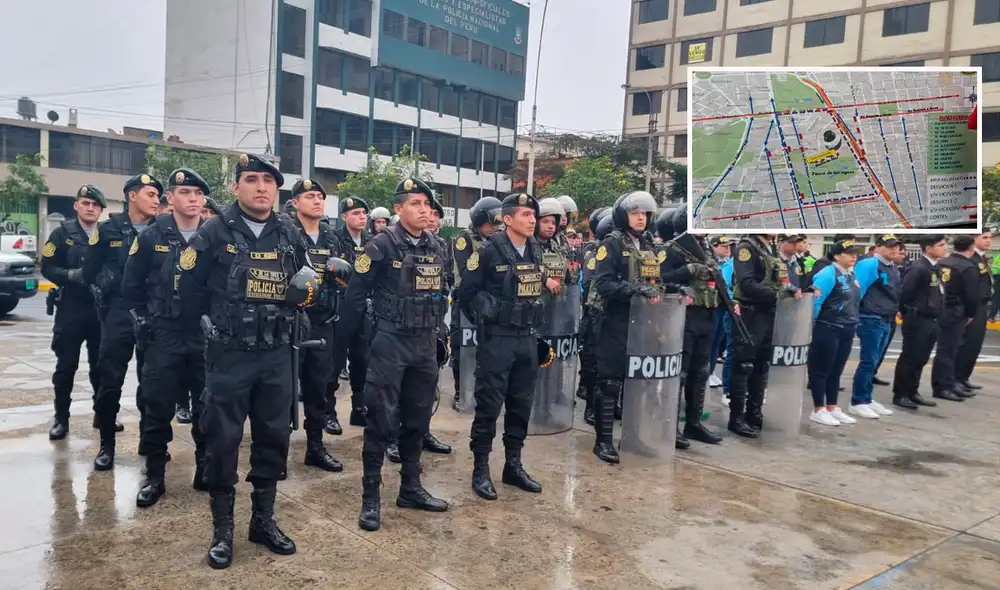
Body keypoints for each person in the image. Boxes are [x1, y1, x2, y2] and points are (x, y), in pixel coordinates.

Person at [178, 154, 310, 568]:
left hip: (275, 355)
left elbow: (306, 283)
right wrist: (208, 329)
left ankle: (263, 520)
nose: (261, 187)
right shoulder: (214, 232)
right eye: (251, 179)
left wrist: (311, 292)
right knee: (222, 441)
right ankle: (223, 529)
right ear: (236, 187)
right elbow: (188, 292)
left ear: (277, 189)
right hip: (230, 356)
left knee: (274, 438)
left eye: (268, 181)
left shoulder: (289, 233)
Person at [340, 177, 449, 532]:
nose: (423, 210)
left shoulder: (436, 246)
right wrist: (345, 347)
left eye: (427, 205)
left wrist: (441, 336)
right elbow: (356, 297)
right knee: (381, 419)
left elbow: (441, 294)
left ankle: (411, 487)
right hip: (390, 342)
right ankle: (370, 497)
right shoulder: (380, 245)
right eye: (415, 204)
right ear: (399, 209)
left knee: (418, 418)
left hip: (423, 344)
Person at [122, 168, 210, 506]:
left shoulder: (214, 236)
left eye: (197, 193)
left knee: (207, 407)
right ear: (169, 198)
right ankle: (155, 476)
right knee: (157, 408)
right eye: (184, 192)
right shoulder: (150, 236)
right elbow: (131, 289)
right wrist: (144, 322)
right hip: (164, 335)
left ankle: (204, 469)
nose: (191, 198)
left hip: (202, 338)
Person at [456, 192, 548, 494]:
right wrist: (489, 311)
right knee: (489, 406)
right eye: (525, 214)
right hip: (498, 340)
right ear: (507, 219)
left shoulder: (535, 249)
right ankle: (480, 467)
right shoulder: (487, 252)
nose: (532, 220)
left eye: (533, 215)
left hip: (527, 337)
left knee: (521, 404)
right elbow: (465, 294)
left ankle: (513, 465)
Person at [84, 174, 163, 469]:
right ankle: (107, 444)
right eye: (151, 194)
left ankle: (149, 439)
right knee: (110, 382)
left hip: (153, 312)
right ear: (132, 195)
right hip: (118, 312)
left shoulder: (163, 230)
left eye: (158, 195)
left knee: (152, 382)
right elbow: (89, 271)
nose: (156, 200)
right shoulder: (107, 230)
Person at [588, 191, 664, 463]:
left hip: (642, 321)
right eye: (635, 213)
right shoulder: (612, 244)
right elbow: (603, 284)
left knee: (638, 382)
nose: (641, 218)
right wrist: (635, 289)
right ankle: (603, 441)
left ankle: (634, 437)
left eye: (644, 213)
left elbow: (655, 281)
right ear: (623, 216)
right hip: (613, 320)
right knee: (609, 382)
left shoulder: (647, 245)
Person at [290, 178, 347, 473]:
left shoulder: (330, 235)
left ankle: (315, 448)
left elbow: (341, 274)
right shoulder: (287, 232)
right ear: (295, 202)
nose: (316, 200)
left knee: (319, 387)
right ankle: (276, 450)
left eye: (320, 196)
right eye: (309, 196)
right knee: (285, 389)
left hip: (323, 322)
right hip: (292, 322)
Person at [42, 185, 106, 440]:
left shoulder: (108, 234)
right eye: (86, 203)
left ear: (101, 210)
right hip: (71, 308)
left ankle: (103, 413)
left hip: (100, 310)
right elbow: (47, 267)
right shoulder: (62, 234)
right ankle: (61, 418)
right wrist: (69, 275)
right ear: (76, 205)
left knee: (101, 367)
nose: (90, 208)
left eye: (95, 205)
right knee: (66, 366)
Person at [730, 235, 802, 437]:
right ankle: (736, 418)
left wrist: (791, 290)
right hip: (750, 312)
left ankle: (754, 412)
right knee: (743, 365)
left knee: (762, 366)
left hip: (769, 312)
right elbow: (746, 283)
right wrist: (778, 294)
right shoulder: (746, 248)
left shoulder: (769, 248)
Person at [659, 223, 723, 446]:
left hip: (707, 315)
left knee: (701, 372)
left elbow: (717, 281)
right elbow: (659, 278)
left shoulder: (706, 248)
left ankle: (693, 424)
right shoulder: (673, 248)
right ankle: (670, 425)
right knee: (681, 373)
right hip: (684, 316)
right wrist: (685, 273)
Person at [449, 196, 502, 409]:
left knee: (487, 349)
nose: (494, 228)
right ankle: (460, 391)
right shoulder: (465, 239)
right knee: (462, 348)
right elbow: (467, 271)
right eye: (490, 224)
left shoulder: (498, 240)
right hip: (465, 301)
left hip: (488, 303)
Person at [807, 239, 864, 426]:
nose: (854, 256)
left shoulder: (850, 274)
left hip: (847, 327)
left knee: (836, 370)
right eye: (849, 253)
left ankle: (832, 406)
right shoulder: (828, 273)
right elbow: (815, 302)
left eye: (855, 253)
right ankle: (818, 408)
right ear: (837, 255)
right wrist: (812, 328)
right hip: (828, 327)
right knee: (821, 369)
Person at [328, 196, 373, 435]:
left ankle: (359, 408)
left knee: (362, 361)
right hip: (340, 308)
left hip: (363, 311)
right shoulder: (335, 239)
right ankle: (329, 412)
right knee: (334, 363)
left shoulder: (371, 241)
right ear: (344, 217)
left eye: (364, 213)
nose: (362, 217)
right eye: (356, 213)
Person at [849, 235, 904, 419]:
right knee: (868, 361)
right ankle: (858, 401)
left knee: (875, 361)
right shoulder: (870, 264)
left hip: (886, 317)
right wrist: (855, 315)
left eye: (896, 246)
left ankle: (867, 397)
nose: (894, 250)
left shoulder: (891, 266)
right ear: (878, 248)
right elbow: (858, 290)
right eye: (889, 246)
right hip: (871, 317)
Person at [892, 235, 947, 409]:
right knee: (910, 357)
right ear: (928, 248)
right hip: (918, 319)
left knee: (921, 358)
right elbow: (905, 292)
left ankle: (912, 391)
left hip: (931, 319)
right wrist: (905, 310)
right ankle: (900, 394)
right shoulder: (919, 268)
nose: (945, 248)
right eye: (941, 245)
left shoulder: (934, 267)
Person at [930, 235, 980, 403]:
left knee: (945, 350)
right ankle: (943, 386)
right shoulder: (968, 267)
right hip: (956, 311)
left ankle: (948, 383)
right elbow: (972, 296)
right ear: (971, 247)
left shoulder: (943, 262)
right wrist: (971, 313)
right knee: (949, 351)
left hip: (942, 308)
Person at [577, 208, 612, 425]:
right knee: (592, 365)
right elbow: (590, 282)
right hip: (595, 313)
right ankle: (590, 407)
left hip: (613, 317)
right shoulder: (594, 251)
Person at [954, 231, 993, 394]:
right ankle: (955, 379)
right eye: (984, 237)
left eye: (990, 238)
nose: (988, 241)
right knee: (965, 344)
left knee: (974, 345)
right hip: (972, 307)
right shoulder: (970, 259)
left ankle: (963, 377)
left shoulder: (982, 258)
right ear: (973, 239)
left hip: (982, 306)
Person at [708, 236, 732, 388]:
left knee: (717, 340)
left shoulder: (728, 263)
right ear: (715, 247)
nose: (727, 249)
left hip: (725, 304)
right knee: (710, 340)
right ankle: (707, 371)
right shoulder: (712, 262)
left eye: (728, 246)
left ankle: (710, 371)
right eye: (723, 246)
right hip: (714, 303)